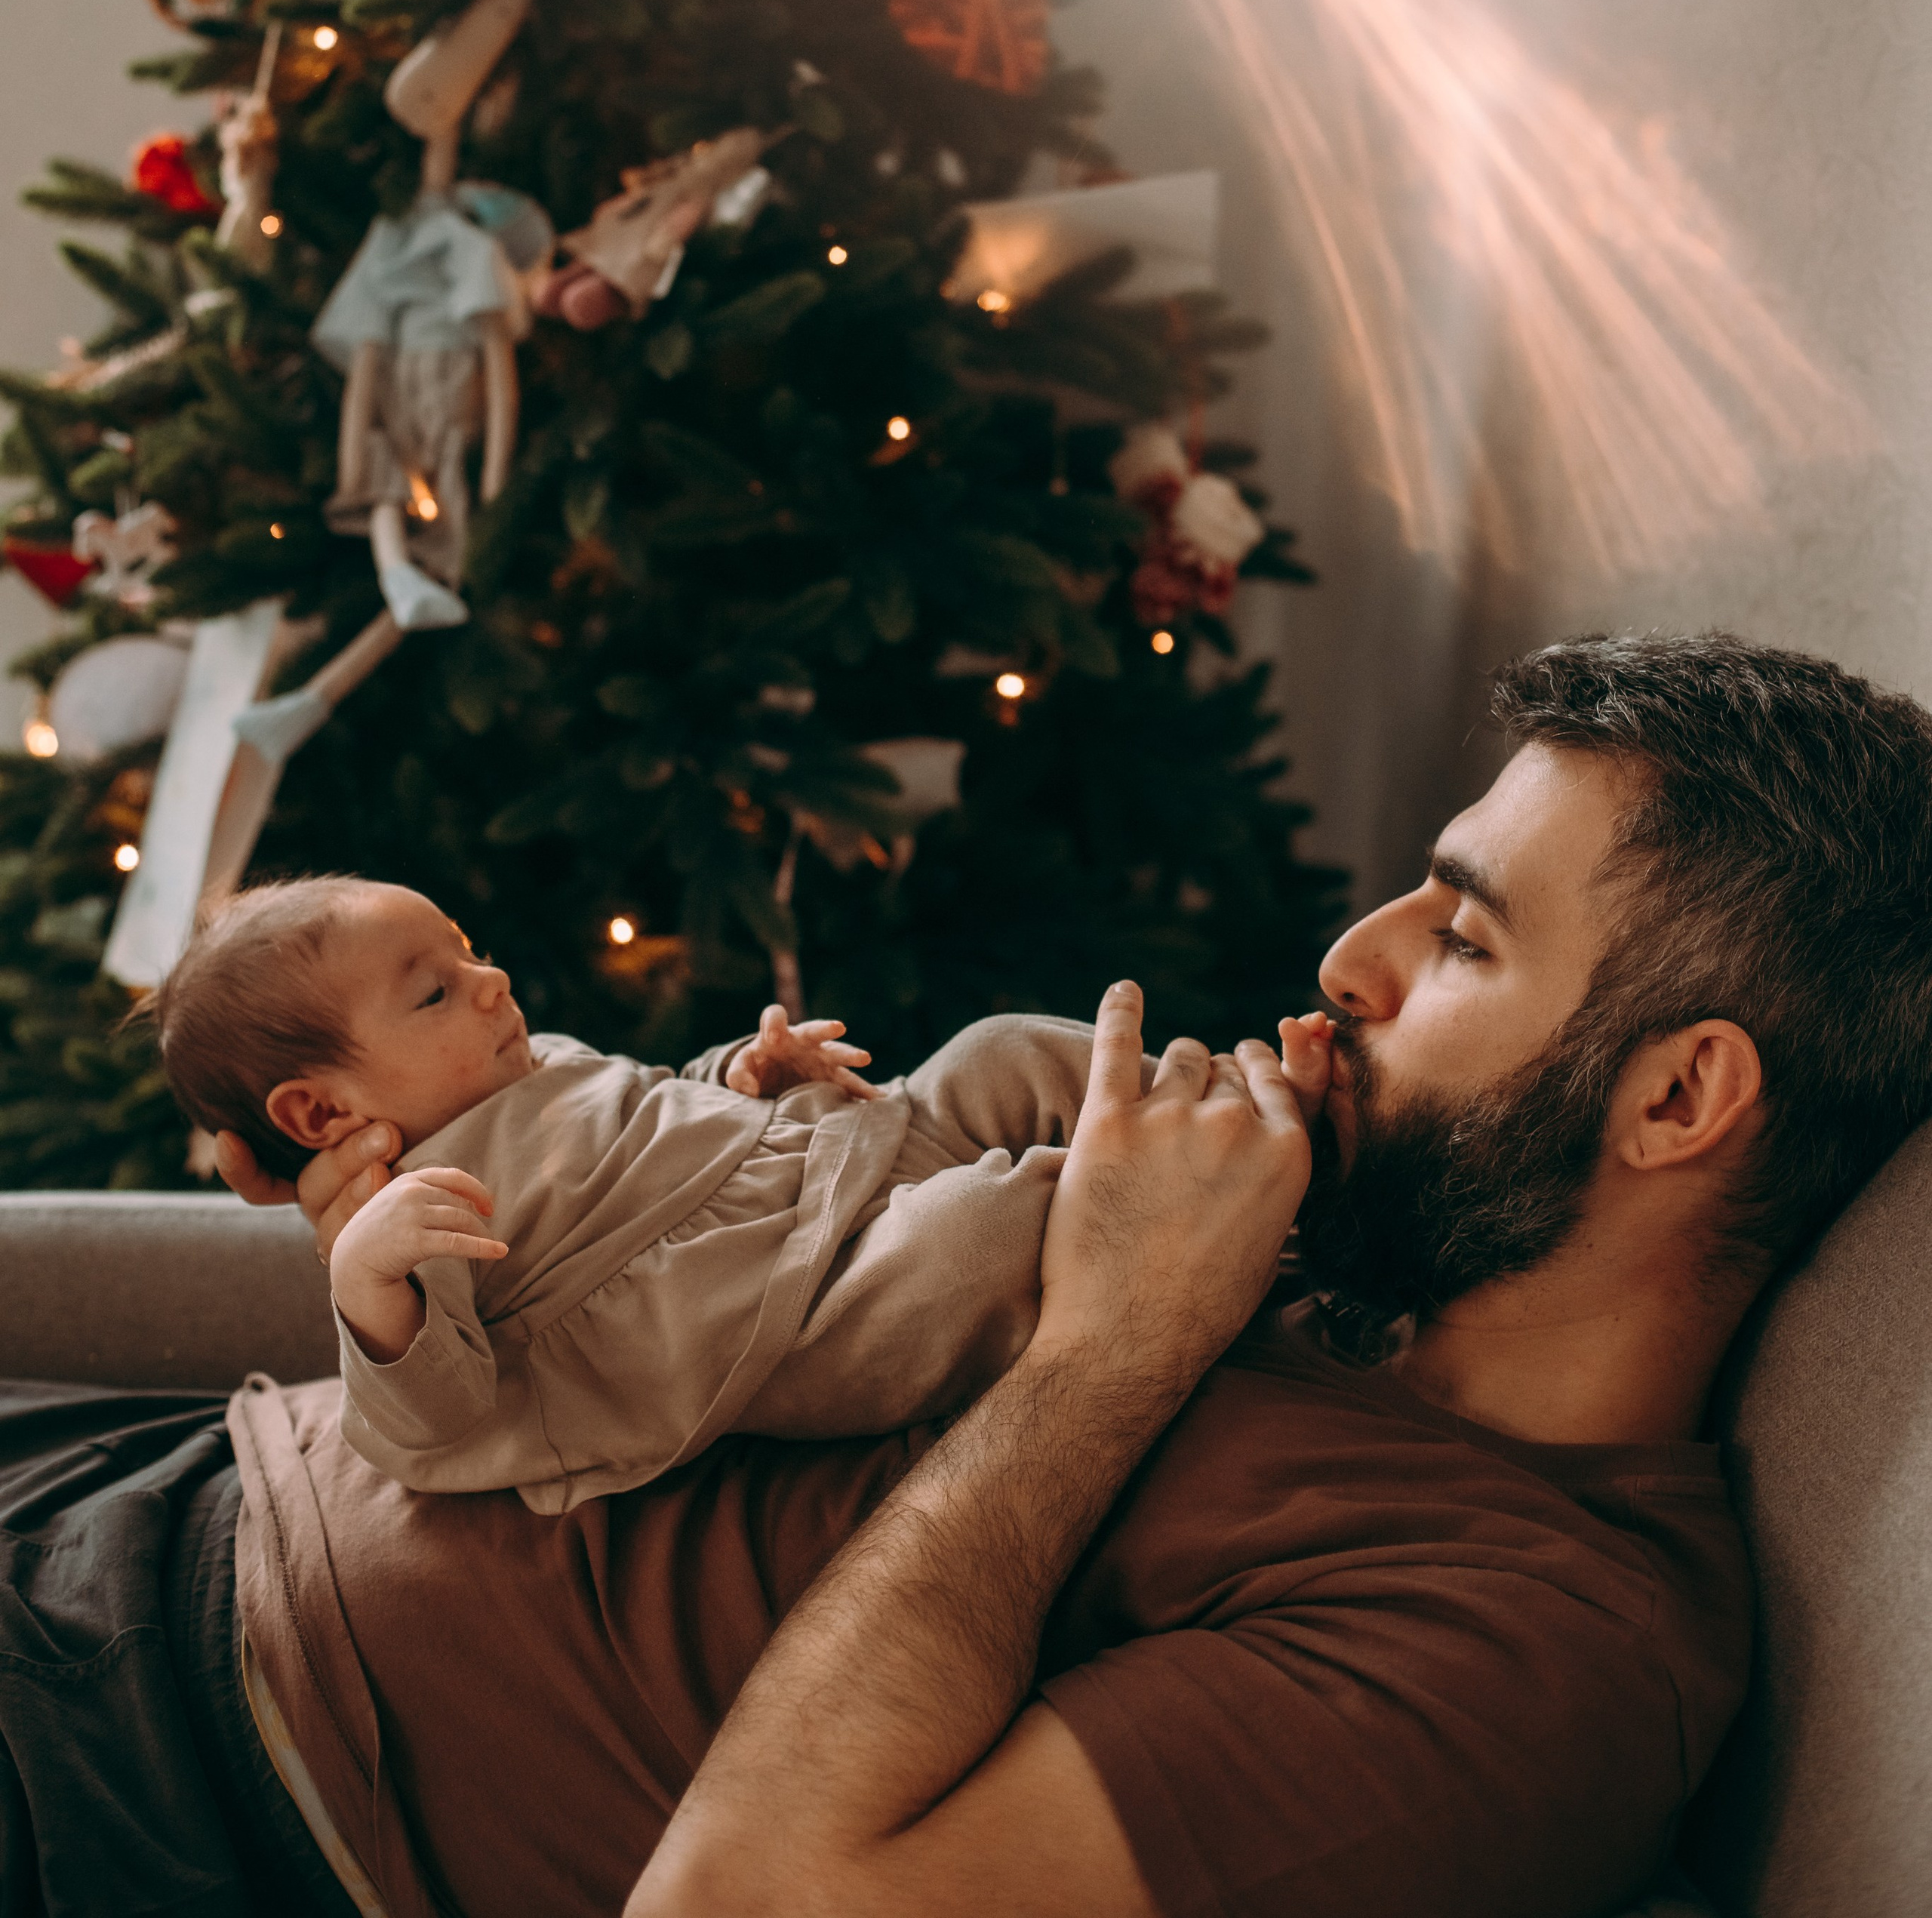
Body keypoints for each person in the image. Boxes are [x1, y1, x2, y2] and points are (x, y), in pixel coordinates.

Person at [192, 633, 1932, 1916]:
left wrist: (1111, 1351)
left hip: (203, 1763)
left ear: (1678, 1097)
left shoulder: (1531, 1647)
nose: (1347, 958)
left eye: (1461, 934)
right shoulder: (1336, 1246)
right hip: (203, 1482)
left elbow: (740, 1902)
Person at [148, 874, 1209, 1506]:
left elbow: (651, 1109)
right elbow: (427, 1426)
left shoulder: (527, 1057)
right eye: (435, 991)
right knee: (978, 1231)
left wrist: (740, 1074)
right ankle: (1192, 1197)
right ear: (318, 1115)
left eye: (467, 953)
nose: (492, 982)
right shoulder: (410, 1213)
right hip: (784, 1314)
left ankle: (1226, 1115)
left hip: (824, 1160)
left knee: (1000, 1050)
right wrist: (371, 1287)